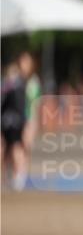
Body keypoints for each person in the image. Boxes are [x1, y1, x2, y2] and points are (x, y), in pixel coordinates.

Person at [1, 51, 41, 191]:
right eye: (22, 61)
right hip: (12, 120)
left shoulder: (32, 82)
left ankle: (20, 178)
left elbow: (34, 105)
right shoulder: (14, 80)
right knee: (9, 149)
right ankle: (11, 177)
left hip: (26, 120)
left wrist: (31, 124)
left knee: (21, 148)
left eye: (27, 62)